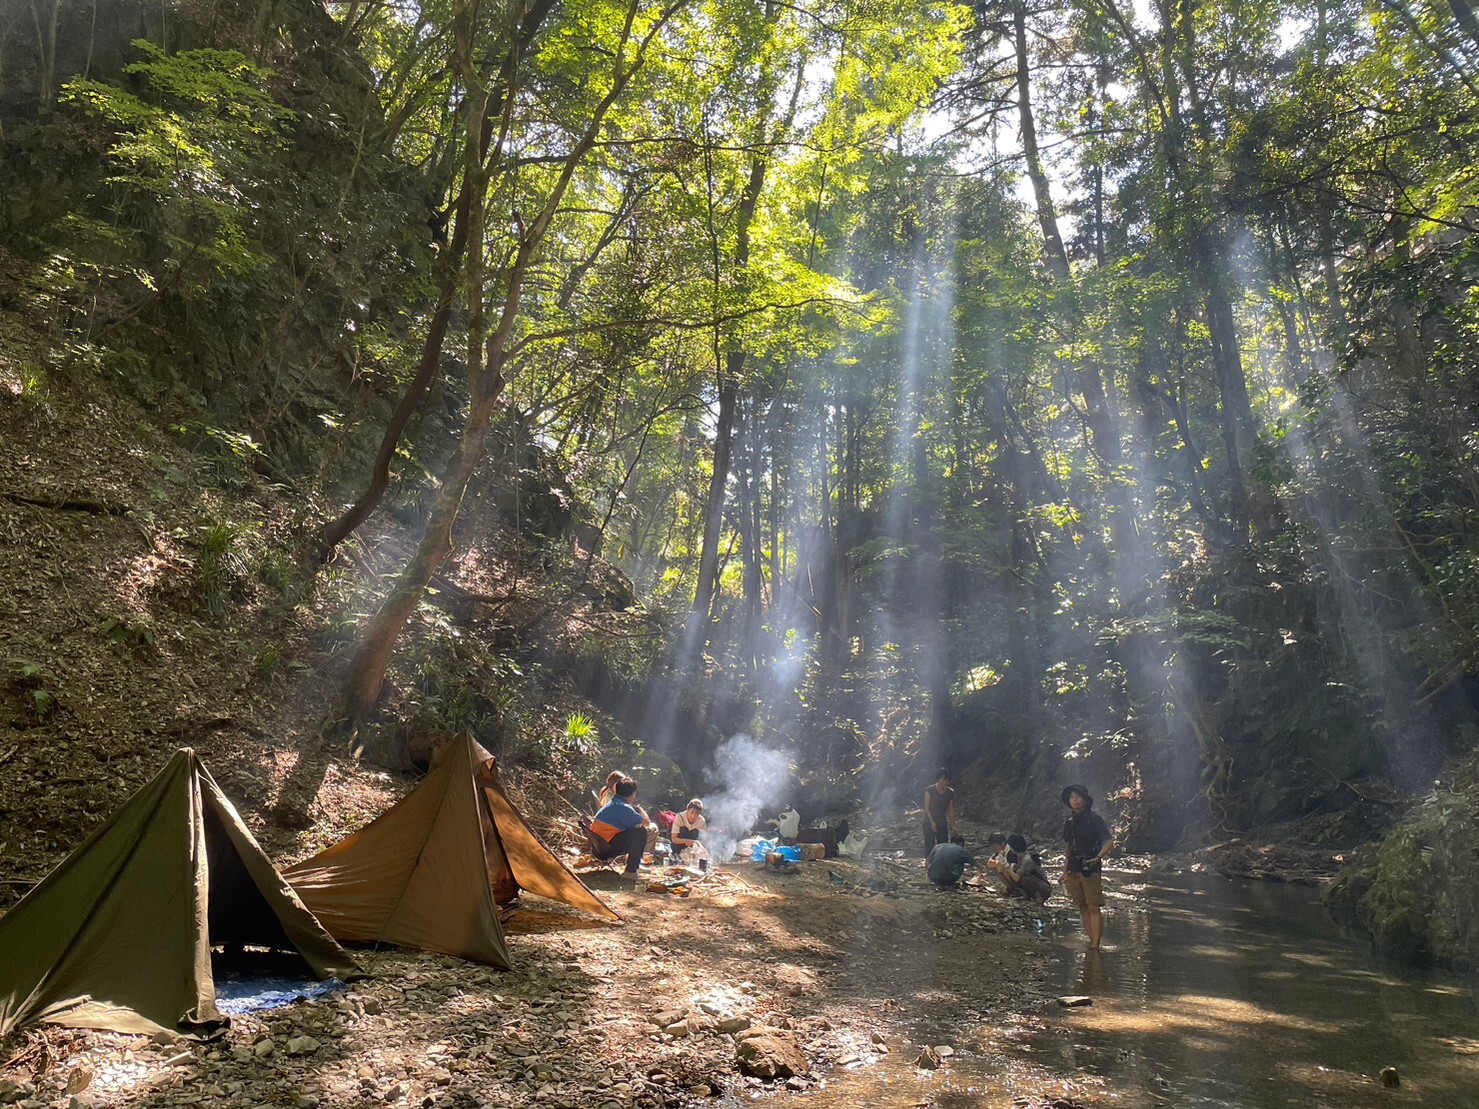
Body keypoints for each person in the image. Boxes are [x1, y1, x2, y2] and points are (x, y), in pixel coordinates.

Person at [1061, 784, 1114, 948]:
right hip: (1074, 867)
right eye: (1071, 797)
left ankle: (1096, 944)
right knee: (1082, 906)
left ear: (1085, 800)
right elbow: (1069, 847)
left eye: (1077, 796)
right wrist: (1065, 871)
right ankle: (1092, 942)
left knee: (1093, 906)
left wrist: (1097, 858)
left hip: (1091, 868)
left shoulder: (1094, 819)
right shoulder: (1069, 821)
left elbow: (1109, 841)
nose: (1074, 800)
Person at [587, 777, 648, 876]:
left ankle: (633, 866)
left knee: (635, 830)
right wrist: (639, 809)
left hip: (598, 847)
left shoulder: (613, 803)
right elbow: (646, 822)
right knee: (640, 832)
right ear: (633, 794)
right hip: (606, 849)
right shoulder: (623, 808)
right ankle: (630, 871)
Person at [989, 833, 1053, 903]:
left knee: (1024, 879)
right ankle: (1025, 895)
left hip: (1043, 888)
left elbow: (1017, 878)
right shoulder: (1020, 856)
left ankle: (1039, 898)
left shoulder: (1027, 859)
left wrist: (1006, 866)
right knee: (1017, 875)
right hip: (1035, 884)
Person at [922, 767, 957, 859]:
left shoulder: (950, 792)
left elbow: (951, 810)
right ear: (939, 778)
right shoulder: (930, 790)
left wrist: (953, 825)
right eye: (943, 779)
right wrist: (932, 822)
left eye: (947, 780)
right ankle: (929, 863)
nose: (945, 782)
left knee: (943, 844)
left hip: (941, 821)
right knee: (929, 844)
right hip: (928, 821)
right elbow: (926, 807)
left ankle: (940, 862)